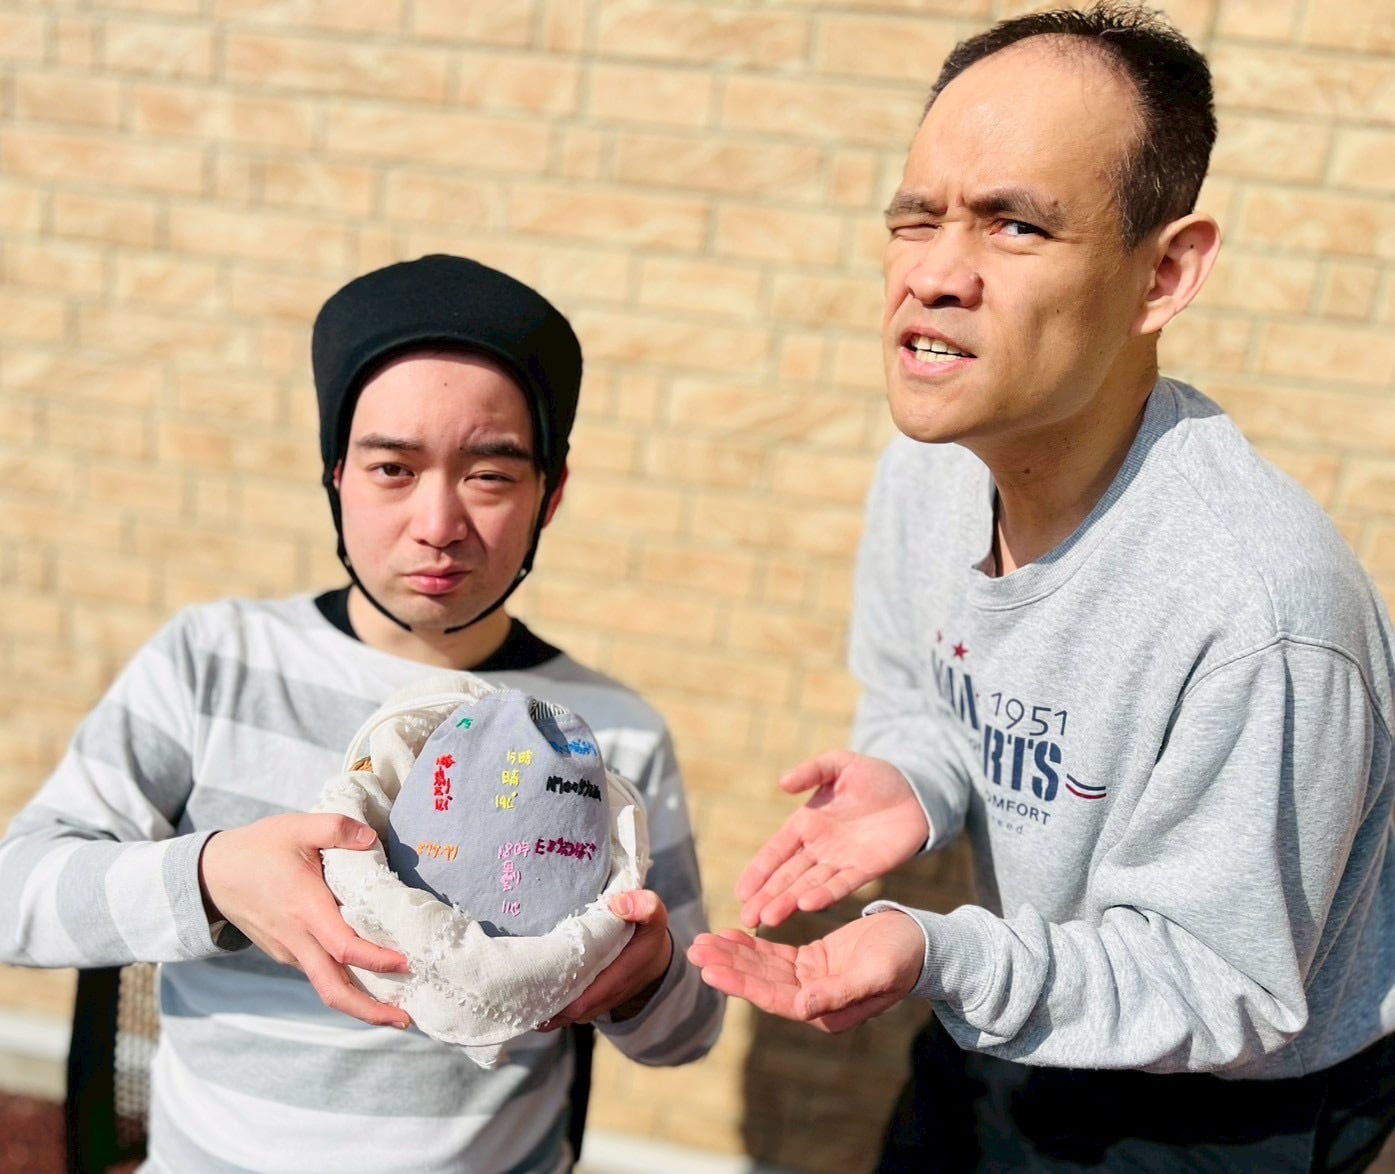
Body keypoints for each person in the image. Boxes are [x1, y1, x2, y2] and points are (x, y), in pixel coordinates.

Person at [688, 5, 1395, 1170]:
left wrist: (943, 954)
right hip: (1011, 1015)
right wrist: (916, 778)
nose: (934, 275)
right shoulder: (931, 467)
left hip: (1217, 1107)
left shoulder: (1263, 615)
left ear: (1164, 273)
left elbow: (1225, 979)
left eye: (1015, 225)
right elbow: (923, 693)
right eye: (917, 218)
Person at [0, 254, 723, 1172]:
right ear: (335, 473)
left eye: (490, 475)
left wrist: (645, 978)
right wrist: (213, 878)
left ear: (552, 492)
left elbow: (686, 1034)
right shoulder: (211, 661)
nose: (438, 524)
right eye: (392, 468)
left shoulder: (610, 733)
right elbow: (16, 896)